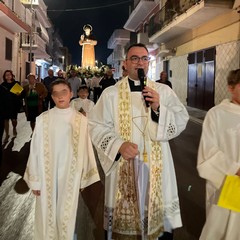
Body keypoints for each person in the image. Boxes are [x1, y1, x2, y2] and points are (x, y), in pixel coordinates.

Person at [88, 43, 189, 240]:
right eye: (134, 58)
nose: (140, 62)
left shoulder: (163, 91)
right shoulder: (111, 94)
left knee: (158, 223)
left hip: (157, 166)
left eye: (144, 58)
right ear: (125, 63)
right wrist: (118, 145)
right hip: (125, 163)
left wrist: (159, 107)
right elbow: (95, 125)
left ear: (148, 63)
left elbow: (181, 118)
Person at [24, 79, 100, 240]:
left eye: (64, 92)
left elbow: (86, 149)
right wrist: (35, 180)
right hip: (46, 175)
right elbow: (35, 150)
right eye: (56, 94)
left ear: (71, 94)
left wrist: (83, 177)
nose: (60, 97)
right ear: (51, 97)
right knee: (46, 214)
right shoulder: (43, 119)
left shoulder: (81, 120)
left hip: (70, 174)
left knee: (66, 215)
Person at [197, 69, 240, 240]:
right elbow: (208, 152)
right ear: (231, 87)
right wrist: (235, 169)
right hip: (226, 183)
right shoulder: (216, 114)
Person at [1, 70, 24, 143]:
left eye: (9, 74)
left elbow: (22, 93)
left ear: (12, 75)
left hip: (14, 104)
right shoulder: (2, 85)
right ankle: (7, 134)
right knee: (5, 120)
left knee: (14, 119)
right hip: (5, 105)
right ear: (4, 77)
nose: (8, 76)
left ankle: (14, 127)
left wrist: (19, 94)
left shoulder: (16, 83)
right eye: (6, 75)